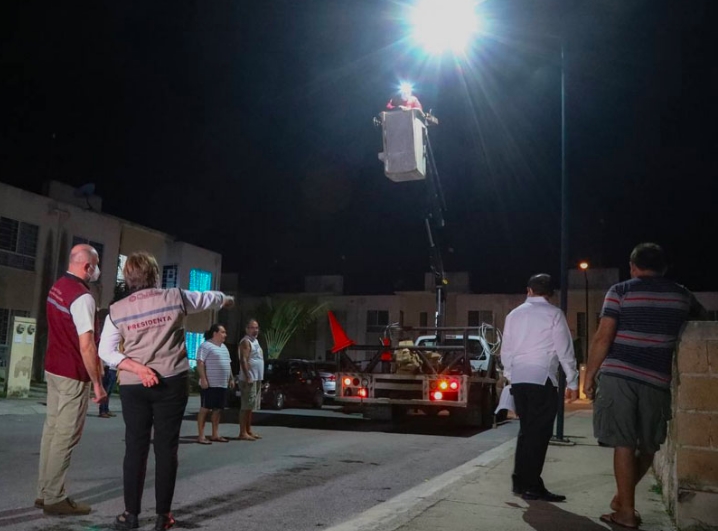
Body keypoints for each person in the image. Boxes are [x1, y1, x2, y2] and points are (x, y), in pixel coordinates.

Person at [98, 252, 234, 531]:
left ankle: (131, 515)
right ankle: (163, 516)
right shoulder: (176, 297)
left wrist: (138, 369)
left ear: (129, 277)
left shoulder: (117, 310)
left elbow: (105, 351)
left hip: (135, 387)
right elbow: (207, 298)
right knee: (165, 448)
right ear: (154, 275)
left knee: (135, 448)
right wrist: (226, 299)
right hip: (171, 382)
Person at [584, 243, 705, 529]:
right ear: (663, 268)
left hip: (619, 376)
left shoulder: (620, 291)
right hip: (656, 379)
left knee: (623, 443)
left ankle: (625, 508)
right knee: (649, 445)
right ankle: (623, 502)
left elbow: (603, 337)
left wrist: (589, 376)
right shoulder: (681, 295)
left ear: (633, 266)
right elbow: (702, 322)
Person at [35, 244, 108, 516]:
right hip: (71, 374)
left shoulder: (58, 287)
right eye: (96, 264)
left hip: (53, 368)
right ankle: (55, 496)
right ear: (87, 266)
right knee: (65, 436)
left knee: (52, 432)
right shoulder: (82, 297)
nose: (97, 270)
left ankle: (44, 491)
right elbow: (87, 346)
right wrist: (98, 384)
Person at [500, 273, 579, 502]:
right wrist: (572, 381)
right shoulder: (554, 314)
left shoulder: (513, 314)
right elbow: (565, 350)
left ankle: (519, 479)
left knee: (526, 430)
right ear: (551, 293)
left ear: (529, 290)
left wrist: (510, 376)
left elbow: (507, 349)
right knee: (539, 434)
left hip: (519, 377)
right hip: (542, 378)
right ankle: (532, 484)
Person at [196, 323, 234, 444]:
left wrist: (231, 378)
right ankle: (201, 436)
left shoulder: (224, 347)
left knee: (218, 410)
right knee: (205, 409)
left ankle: (215, 434)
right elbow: (200, 363)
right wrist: (203, 379)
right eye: (223, 332)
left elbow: (228, 364)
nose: (225, 335)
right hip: (210, 384)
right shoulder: (206, 346)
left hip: (221, 384)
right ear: (215, 333)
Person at [237, 318, 264, 441]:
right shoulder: (246, 342)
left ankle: (248, 430)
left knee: (251, 406)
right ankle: (242, 432)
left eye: (257, 327)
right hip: (249, 378)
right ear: (247, 329)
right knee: (246, 405)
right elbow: (243, 359)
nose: (255, 330)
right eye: (252, 328)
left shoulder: (255, 341)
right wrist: (247, 376)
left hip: (257, 378)